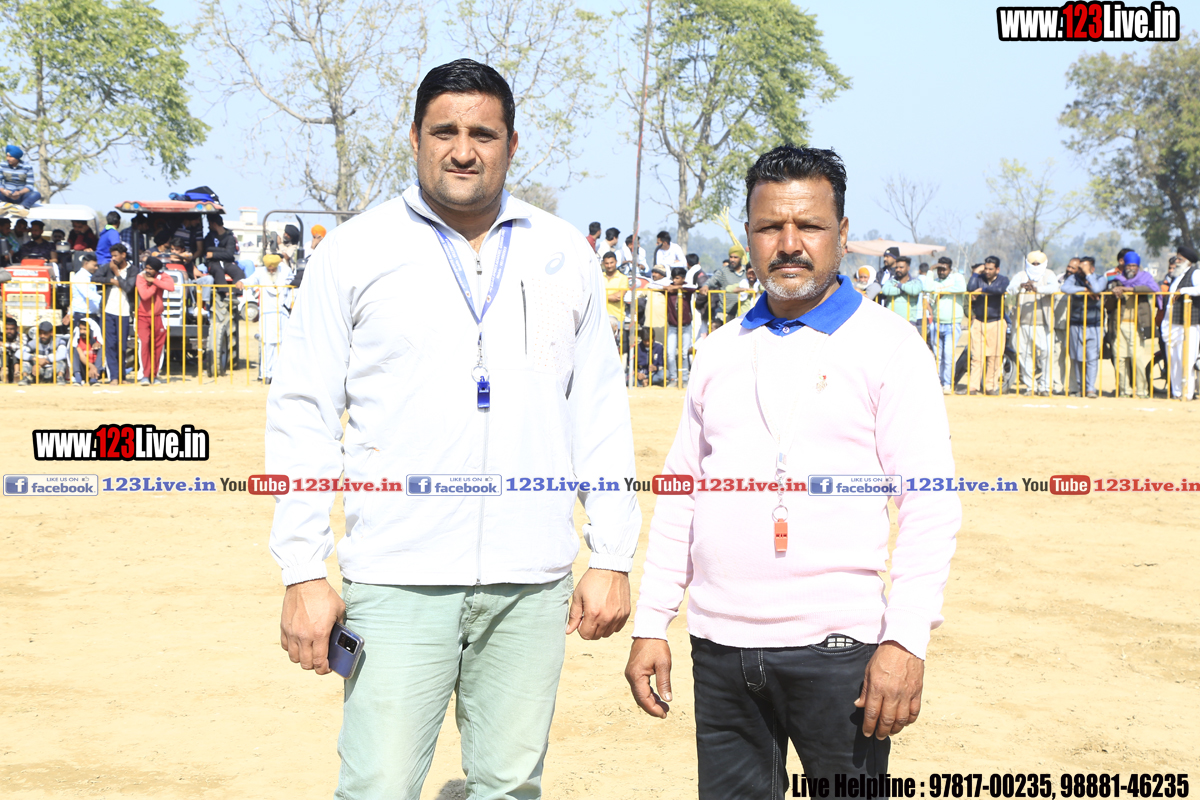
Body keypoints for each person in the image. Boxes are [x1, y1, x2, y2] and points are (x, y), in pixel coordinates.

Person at [265, 58, 640, 800]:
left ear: (511, 144)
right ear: (414, 138)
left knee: (510, 787)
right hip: (397, 576)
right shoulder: (356, 252)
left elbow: (596, 408)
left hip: (531, 581)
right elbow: (303, 413)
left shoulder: (561, 252)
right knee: (377, 788)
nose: (463, 151)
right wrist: (302, 568)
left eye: (483, 134)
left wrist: (613, 552)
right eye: (445, 132)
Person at [625, 145, 960, 797]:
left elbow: (930, 504)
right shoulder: (718, 351)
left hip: (839, 652)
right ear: (748, 236)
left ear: (841, 233)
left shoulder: (890, 347)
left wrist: (905, 640)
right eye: (769, 227)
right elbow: (681, 494)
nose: (788, 244)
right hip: (719, 649)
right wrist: (651, 621)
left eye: (808, 226)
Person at [1006, 250, 1059, 396]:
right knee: (1024, 354)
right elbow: (1010, 289)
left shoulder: (1049, 274)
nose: (1035, 266)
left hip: (1043, 324)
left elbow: (1054, 287)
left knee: (1047, 353)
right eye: (1033, 264)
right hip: (1022, 323)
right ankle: (1031, 387)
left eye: (1038, 264)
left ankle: (1045, 387)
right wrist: (1021, 286)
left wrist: (1037, 289)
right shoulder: (1021, 275)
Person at [1107, 251, 1158, 398]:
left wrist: (1129, 289)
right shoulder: (1117, 281)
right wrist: (1113, 293)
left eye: (1134, 266)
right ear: (1124, 266)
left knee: (1137, 358)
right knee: (1120, 358)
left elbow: (1153, 288)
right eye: (1129, 265)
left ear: (1138, 267)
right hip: (1119, 325)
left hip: (1137, 325)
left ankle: (1142, 391)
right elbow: (1108, 305)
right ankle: (1124, 390)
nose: (1131, 268)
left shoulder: (1145, 278)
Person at [236, 252, 292, 384]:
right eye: (269, 269)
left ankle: (276, 375)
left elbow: (292, 285)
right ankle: (265, 374)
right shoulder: (261, 272)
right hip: (266, 313)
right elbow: (251, 280)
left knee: (280, 344)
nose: (271, 271)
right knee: (266, 344)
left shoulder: (285, 271)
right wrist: (241, 282)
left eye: (273, 269)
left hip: (282, 313)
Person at [961, 256, 1009, 395]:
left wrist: (982, 290)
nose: (987, 271)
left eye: (990, 269)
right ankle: (973, 387)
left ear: (997, 269)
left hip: (996, 322)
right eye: (985, 268)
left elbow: (999, 290)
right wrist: (976, 272)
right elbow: (970, 288)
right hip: (979, 322)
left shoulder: (1003, 279)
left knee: (995, 357)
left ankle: (990, 387)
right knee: (976, 356)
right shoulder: (979, 278)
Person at [203, 213, 244, 377]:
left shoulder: (229, 236)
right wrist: (217, 253)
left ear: (214, 223)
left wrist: (215, 253)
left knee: (238, 273)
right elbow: (207, 252)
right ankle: (224, 292)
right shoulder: (209, 236)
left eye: (210, 223)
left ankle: (235, 294)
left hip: (227, 263)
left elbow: (229, 254)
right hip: (213, 264)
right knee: (217, 272)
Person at [1062, 255, 1106, 398]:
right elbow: (1065, 288)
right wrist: (1085, 290)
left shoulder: (1100, 278)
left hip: (1095, 325)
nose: (1080, 270)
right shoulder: (1073, 278)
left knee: (1092, 358)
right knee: (1077, 357)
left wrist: (1088, 275)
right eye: (1080, 268)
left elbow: (1097, 289)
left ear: (1092, 268)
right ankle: (1081, 387)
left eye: (1084, 268)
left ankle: (1090, 388)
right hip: (1076, 324)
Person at [93, 243, 136, 384]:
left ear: (123, 255)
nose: (113, 258)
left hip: (124, 312)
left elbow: (128, 288)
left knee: (122, 346)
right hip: (108, 311)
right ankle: (114, 377)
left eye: (116, 256)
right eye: (112, 256)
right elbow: (94, 278)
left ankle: (122, 376)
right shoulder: (108, 267)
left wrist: (117, 274)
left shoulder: (133, 270)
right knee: (110, 345)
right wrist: (110, 280)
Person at [1163, 245, 1200, 400]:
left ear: (1188, 261)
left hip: (1189, 323)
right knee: (1174, 359)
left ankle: (1187, 393)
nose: (1176, 261)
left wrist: (1183, 291)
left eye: (1180, 259)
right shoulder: (1177, 276)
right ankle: (1177, 392)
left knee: (1187, 359)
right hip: (1174, 322)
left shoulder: (1195, 273)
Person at [924, 257, 965, 394]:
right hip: (936, 322)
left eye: (944, 269)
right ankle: (938, 382)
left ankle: (947, 383)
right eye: (939, 269)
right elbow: (927, 288)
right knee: (938, 356)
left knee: (948, 355)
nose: (941, 272)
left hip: (952, 323)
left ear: (950, 269)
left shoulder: (956, 278)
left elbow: (962, 288)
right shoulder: (935, 281)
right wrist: (931, 270)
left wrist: (942, 290)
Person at [134, 256, 175, 384]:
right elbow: (145, 295)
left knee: (158, 346)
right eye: (146, 267)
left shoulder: (162, 276)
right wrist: (156, 284)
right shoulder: (140, 276)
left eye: (150, 269)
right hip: (142, 316)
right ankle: (145, 375)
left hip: (157, 316)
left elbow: (171, 287)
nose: (147, 271)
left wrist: (153, 281)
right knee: (144, 343)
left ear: (156, 270)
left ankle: (154, 375)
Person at [653, 266, 696, 386]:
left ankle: (685, 379)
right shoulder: (669, 287)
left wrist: (677, 288)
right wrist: (666, 288)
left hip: (686, 325)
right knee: (670, 353)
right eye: (673, 278)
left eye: (677, 278)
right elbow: (651, 285)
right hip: (673, 326)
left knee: (684, 353)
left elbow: (694, 287)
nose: (674, 281)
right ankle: (673, 378)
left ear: (683, 278)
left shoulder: (686, 288)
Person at [1053, 258, 1080, 395]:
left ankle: (1073, 387)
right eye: (1069, 266)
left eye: (1073, 268)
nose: (1069, 269)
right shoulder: (1058, 279)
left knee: (1074, 357)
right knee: (1057, 356)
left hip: (1074, 325)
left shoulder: (1080, 282)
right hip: (1057, 325)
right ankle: (1057, 386)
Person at [700, 245, 748, 322]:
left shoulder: (747, 272)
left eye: (735, 257)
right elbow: (711, 281)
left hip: (743, 313)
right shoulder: (723, 271)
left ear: (741, 258)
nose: (732, 260)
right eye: (731, 257)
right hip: (725, 313)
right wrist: (705, 286)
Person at [879, 255, 924, 332]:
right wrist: (904, 290)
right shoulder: (890, 281)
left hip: (909, 322)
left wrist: (900, 286)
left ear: (908, 268)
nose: (898, 270)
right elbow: (885, 290)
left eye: (901, 267)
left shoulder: (916, 282)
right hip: (892, 321)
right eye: (896, 267)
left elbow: (915, 290)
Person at [19, 320, 68, 384]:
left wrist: (46, 361)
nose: (42, 336)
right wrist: (34, 359)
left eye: (45, 333)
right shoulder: (34, 342)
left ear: (51, 332)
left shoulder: (59, 341)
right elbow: (19, 353)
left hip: (52, 369)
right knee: (25, 362)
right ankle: (25, 378)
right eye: (40, 333)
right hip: (38, 370)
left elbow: (62, 354)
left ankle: (60, 378)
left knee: (60, 362)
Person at [69, 252, 102, 328]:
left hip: (91, 316)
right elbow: (88, 294)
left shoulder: (88, 277)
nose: (96, 268)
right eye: (94, 265)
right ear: (86, 263)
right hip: (82, 316)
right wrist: (104, 300)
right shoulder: (80, 277)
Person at [69, 316, 104, 386]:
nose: (82, 332)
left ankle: (94, 379)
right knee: (74, 350)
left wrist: (94, 368)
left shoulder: (97, 341)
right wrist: (92, 367)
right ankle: (78, 379)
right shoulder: (78, 340)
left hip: (96, 371)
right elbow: (81, 356)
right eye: (80, 329)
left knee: (102, 350)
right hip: (84, 368)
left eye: (85, 329)